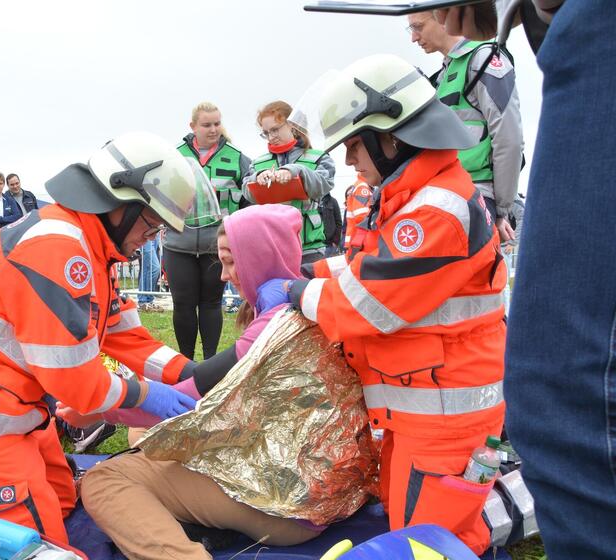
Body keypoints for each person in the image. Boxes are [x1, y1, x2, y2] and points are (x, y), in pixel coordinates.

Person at [0, 132, 214, 543]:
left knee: (64, 499)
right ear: (121, 205)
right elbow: (75, 381)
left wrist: (193, 376)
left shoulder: (94, 248)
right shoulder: (58, 247)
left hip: (8, 406)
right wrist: (144, 396)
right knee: (36, 543)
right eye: (152, 225)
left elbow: (129, 338)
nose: (150, 239)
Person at [260, 54, 506, 555]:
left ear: (391, 137)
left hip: (441, 423)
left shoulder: (436, 210)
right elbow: (371, 267)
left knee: (432, 546)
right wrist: (314, 272)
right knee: (416, 534)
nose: (350, 159)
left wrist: (294, 291)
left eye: (354, 143)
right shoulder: (415, 198)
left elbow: (368, 306)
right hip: (419, 414)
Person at [436, 2, 616, 558]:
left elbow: (506, 134)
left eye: (419, 22)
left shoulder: (483, 61)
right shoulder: (450, 71)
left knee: (564, 390)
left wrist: (504, 204)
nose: (415, 31)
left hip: (479, 204)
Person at [82, 204, 332, 559]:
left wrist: (100, 410)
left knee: (104, 481)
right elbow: (207, 380)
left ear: (259, 256)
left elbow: (194, 399)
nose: (222, 276)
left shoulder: (272, 324)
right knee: (144, 437)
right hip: (311, 485)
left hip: (282, 501)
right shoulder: (299, 305)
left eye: (231, 261)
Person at [407, 10, 523, 241]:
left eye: (418, 26)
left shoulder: (484, 60)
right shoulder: (445, 74)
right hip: (450, 196)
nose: (413, 37)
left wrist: (502, 209)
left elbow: (509, 139)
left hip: (477, 199)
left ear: (441, 16)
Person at [166, 102, 252, 359]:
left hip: (217, 245)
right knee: (182, 304)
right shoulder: (174, 154)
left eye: (217, 123)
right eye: (206, 125)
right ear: (193, 127)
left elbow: (249, 199)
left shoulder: (237, 157)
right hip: (178, 244)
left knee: (211, 303)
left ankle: (210, 361)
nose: (213, 129)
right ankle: (185, 362)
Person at [242, 101, 336, 264]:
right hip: (271, 249)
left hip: (309, 249)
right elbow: (246, 191)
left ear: (292, 125)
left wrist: (296, 170)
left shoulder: (319, 158)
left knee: (307, 290)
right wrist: (257, 178)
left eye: (275, 129)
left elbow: (324, 183)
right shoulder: (257, 164)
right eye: (266, 133)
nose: (271, 137)